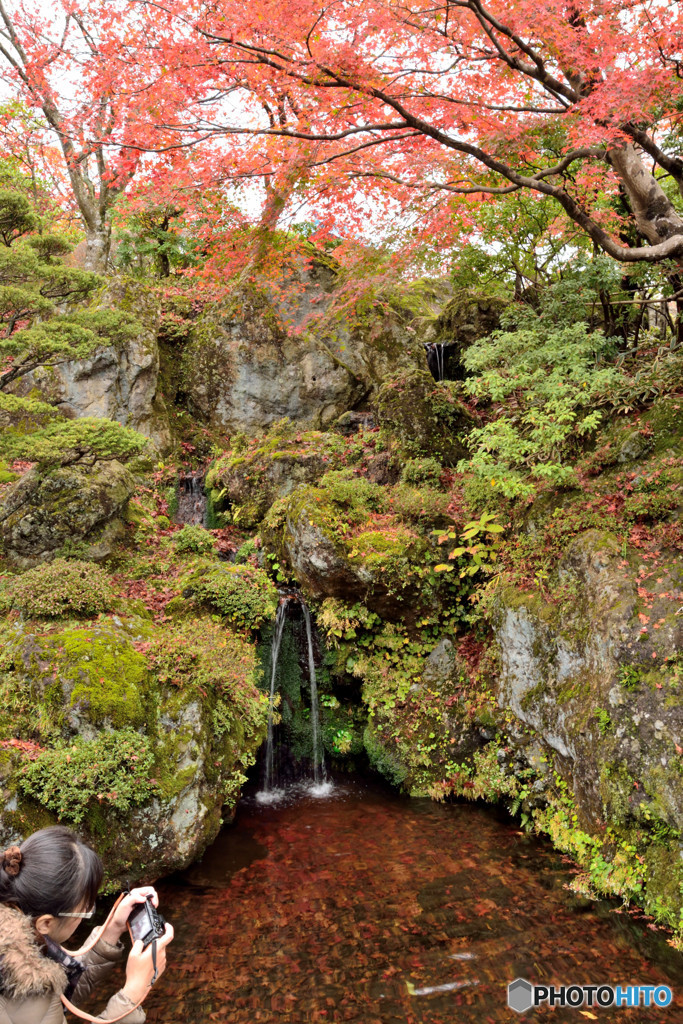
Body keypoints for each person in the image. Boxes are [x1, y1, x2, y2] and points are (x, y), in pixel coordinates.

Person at [0, 826, 174, 1024]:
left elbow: (58, 994)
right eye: (84, 910)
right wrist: (133, 992)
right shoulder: (26, 997)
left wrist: (113, 929)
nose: (86, 916)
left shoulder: (18, 947)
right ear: (45, 923)